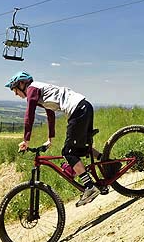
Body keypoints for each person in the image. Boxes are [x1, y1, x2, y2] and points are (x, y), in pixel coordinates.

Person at [6, 71, 102, 207]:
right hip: (84, 106)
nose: (16, 94)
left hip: (77, 110)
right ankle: (108, 162)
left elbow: (29, 115)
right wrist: (50, 138)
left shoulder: (32, 89)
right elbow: (50, 114)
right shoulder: (39, 90)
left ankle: (90, 187)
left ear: (22, 84)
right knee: (81, 148)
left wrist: (26, 140)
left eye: (15, 90)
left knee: (68, 152)